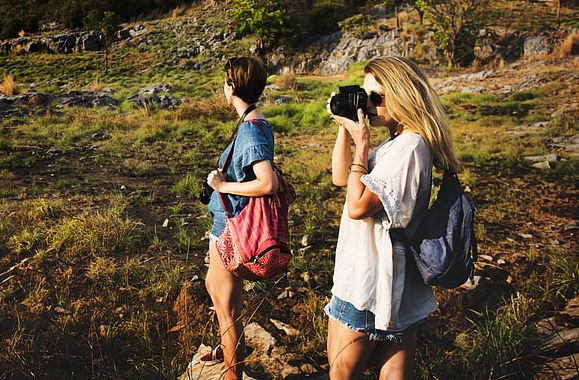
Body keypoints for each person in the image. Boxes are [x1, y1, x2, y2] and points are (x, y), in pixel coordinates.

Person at [326, 56, 460, 379]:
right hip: (392, 284)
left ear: (402, 95)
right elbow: (342, 176)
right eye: (365, 95)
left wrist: (362, 145)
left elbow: (357, 206)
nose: (369, 105)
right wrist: (345, 128)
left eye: (377, 98)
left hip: (368, 283)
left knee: (340, 375)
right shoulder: (398, 145)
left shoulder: (410, 147)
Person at [204, 56, 278, 380]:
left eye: (225, 80)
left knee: (226, 307)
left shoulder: (251, 130)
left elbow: (267, 182)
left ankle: (233, 373)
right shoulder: (252, 122)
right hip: (225, 223)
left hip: (231, 228)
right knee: (215, 288)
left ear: (232, 86)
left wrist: (223, 184)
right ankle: (227, 351)